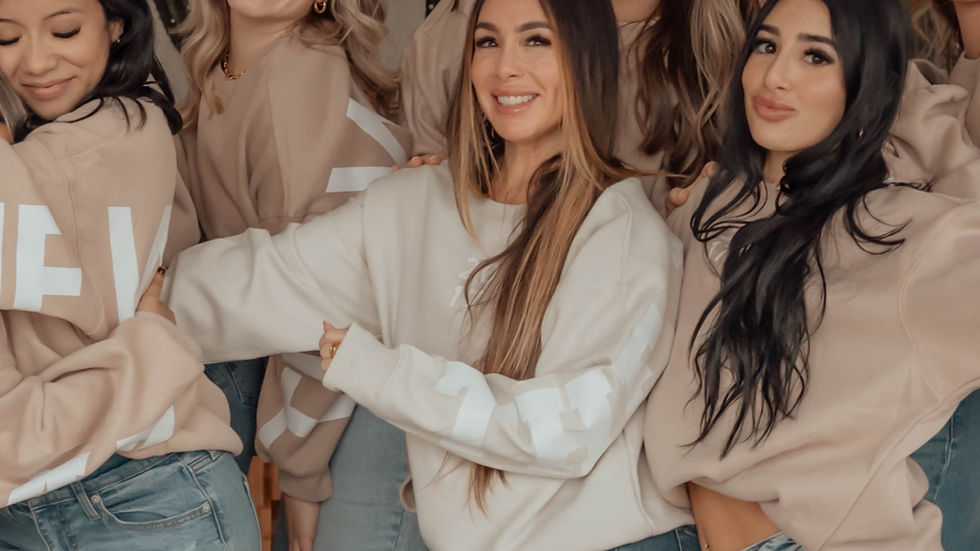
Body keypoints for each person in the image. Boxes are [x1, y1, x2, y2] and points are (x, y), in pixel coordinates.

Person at [148, 0, 693, 549]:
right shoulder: (415, 203)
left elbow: (568, 428)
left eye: (536, 41)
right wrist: (123, 305)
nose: (506, 67)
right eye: (487, 42)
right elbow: (263, 280)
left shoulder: (621, 231)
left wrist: (378, 372)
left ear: (587, 60)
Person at [644, 0, 980, 549]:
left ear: (868, 85)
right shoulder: (702, 204)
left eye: (816, 57)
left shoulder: (903, 232)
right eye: (767, 46)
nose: (776, 76)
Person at [0, 0, 259, 548]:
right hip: (40, 503)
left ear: (115, 25)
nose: (36, 62)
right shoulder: (44, 149)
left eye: (64, 30)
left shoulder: (117, 131)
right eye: (6, 38)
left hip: (149, 491)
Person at [176, 1, 412, 546]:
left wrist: (302, 473)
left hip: (365, 389)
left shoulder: (301, 73)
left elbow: (320, 298)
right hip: (329, 387)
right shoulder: (221, 70)